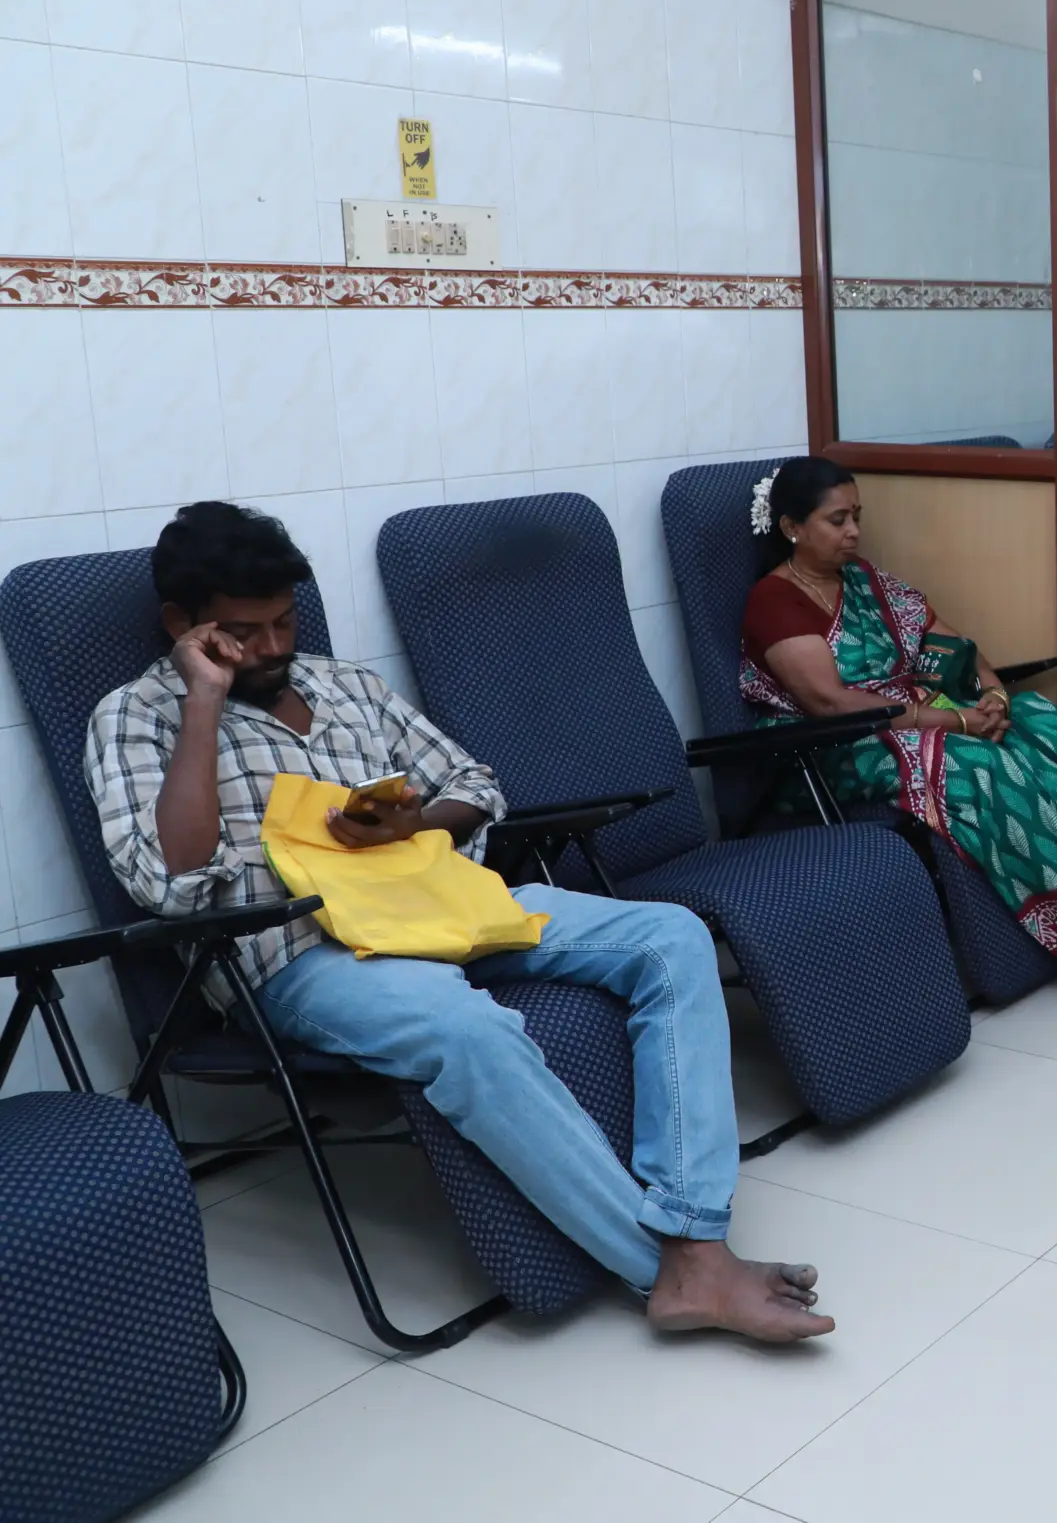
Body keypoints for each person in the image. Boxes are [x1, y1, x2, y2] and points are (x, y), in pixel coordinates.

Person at [85, 502, 830, 1342]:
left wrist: (411, 822)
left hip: (434, 904)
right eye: (242, 633)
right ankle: (673, 1272)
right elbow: (171, 882)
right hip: (304, 952)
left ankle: (693, 1229)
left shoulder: (344, 685)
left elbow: (476, 783)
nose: (271, 647)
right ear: (182, 624)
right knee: (465, 1027)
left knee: (671, 937)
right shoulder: (135, 715)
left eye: (285, 621)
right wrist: (205, 703)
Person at [739, 457, 1057, 981]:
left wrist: (994, 697)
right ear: (791, 527)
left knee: (1045, 722)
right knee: (980, 764)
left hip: (918, 717)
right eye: (838, 520)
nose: (854, 531)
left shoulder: (864, 580)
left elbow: (953, 646)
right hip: (835, 746)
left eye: (857, 516)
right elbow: (828, 704)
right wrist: (959, 724)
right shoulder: (774, 599)